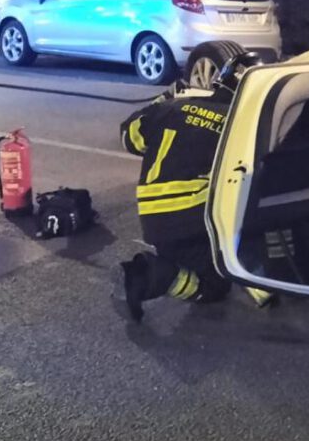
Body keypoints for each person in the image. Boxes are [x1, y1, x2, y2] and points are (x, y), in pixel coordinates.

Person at [115, 52, 276, 322]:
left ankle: (177, 268)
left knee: (199, 261)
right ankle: (154, 276)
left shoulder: (171, 108)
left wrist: (163, 100)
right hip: (194, 221)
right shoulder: (240, 125)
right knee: (216, 284)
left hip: (156, 222)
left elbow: (129, 138)